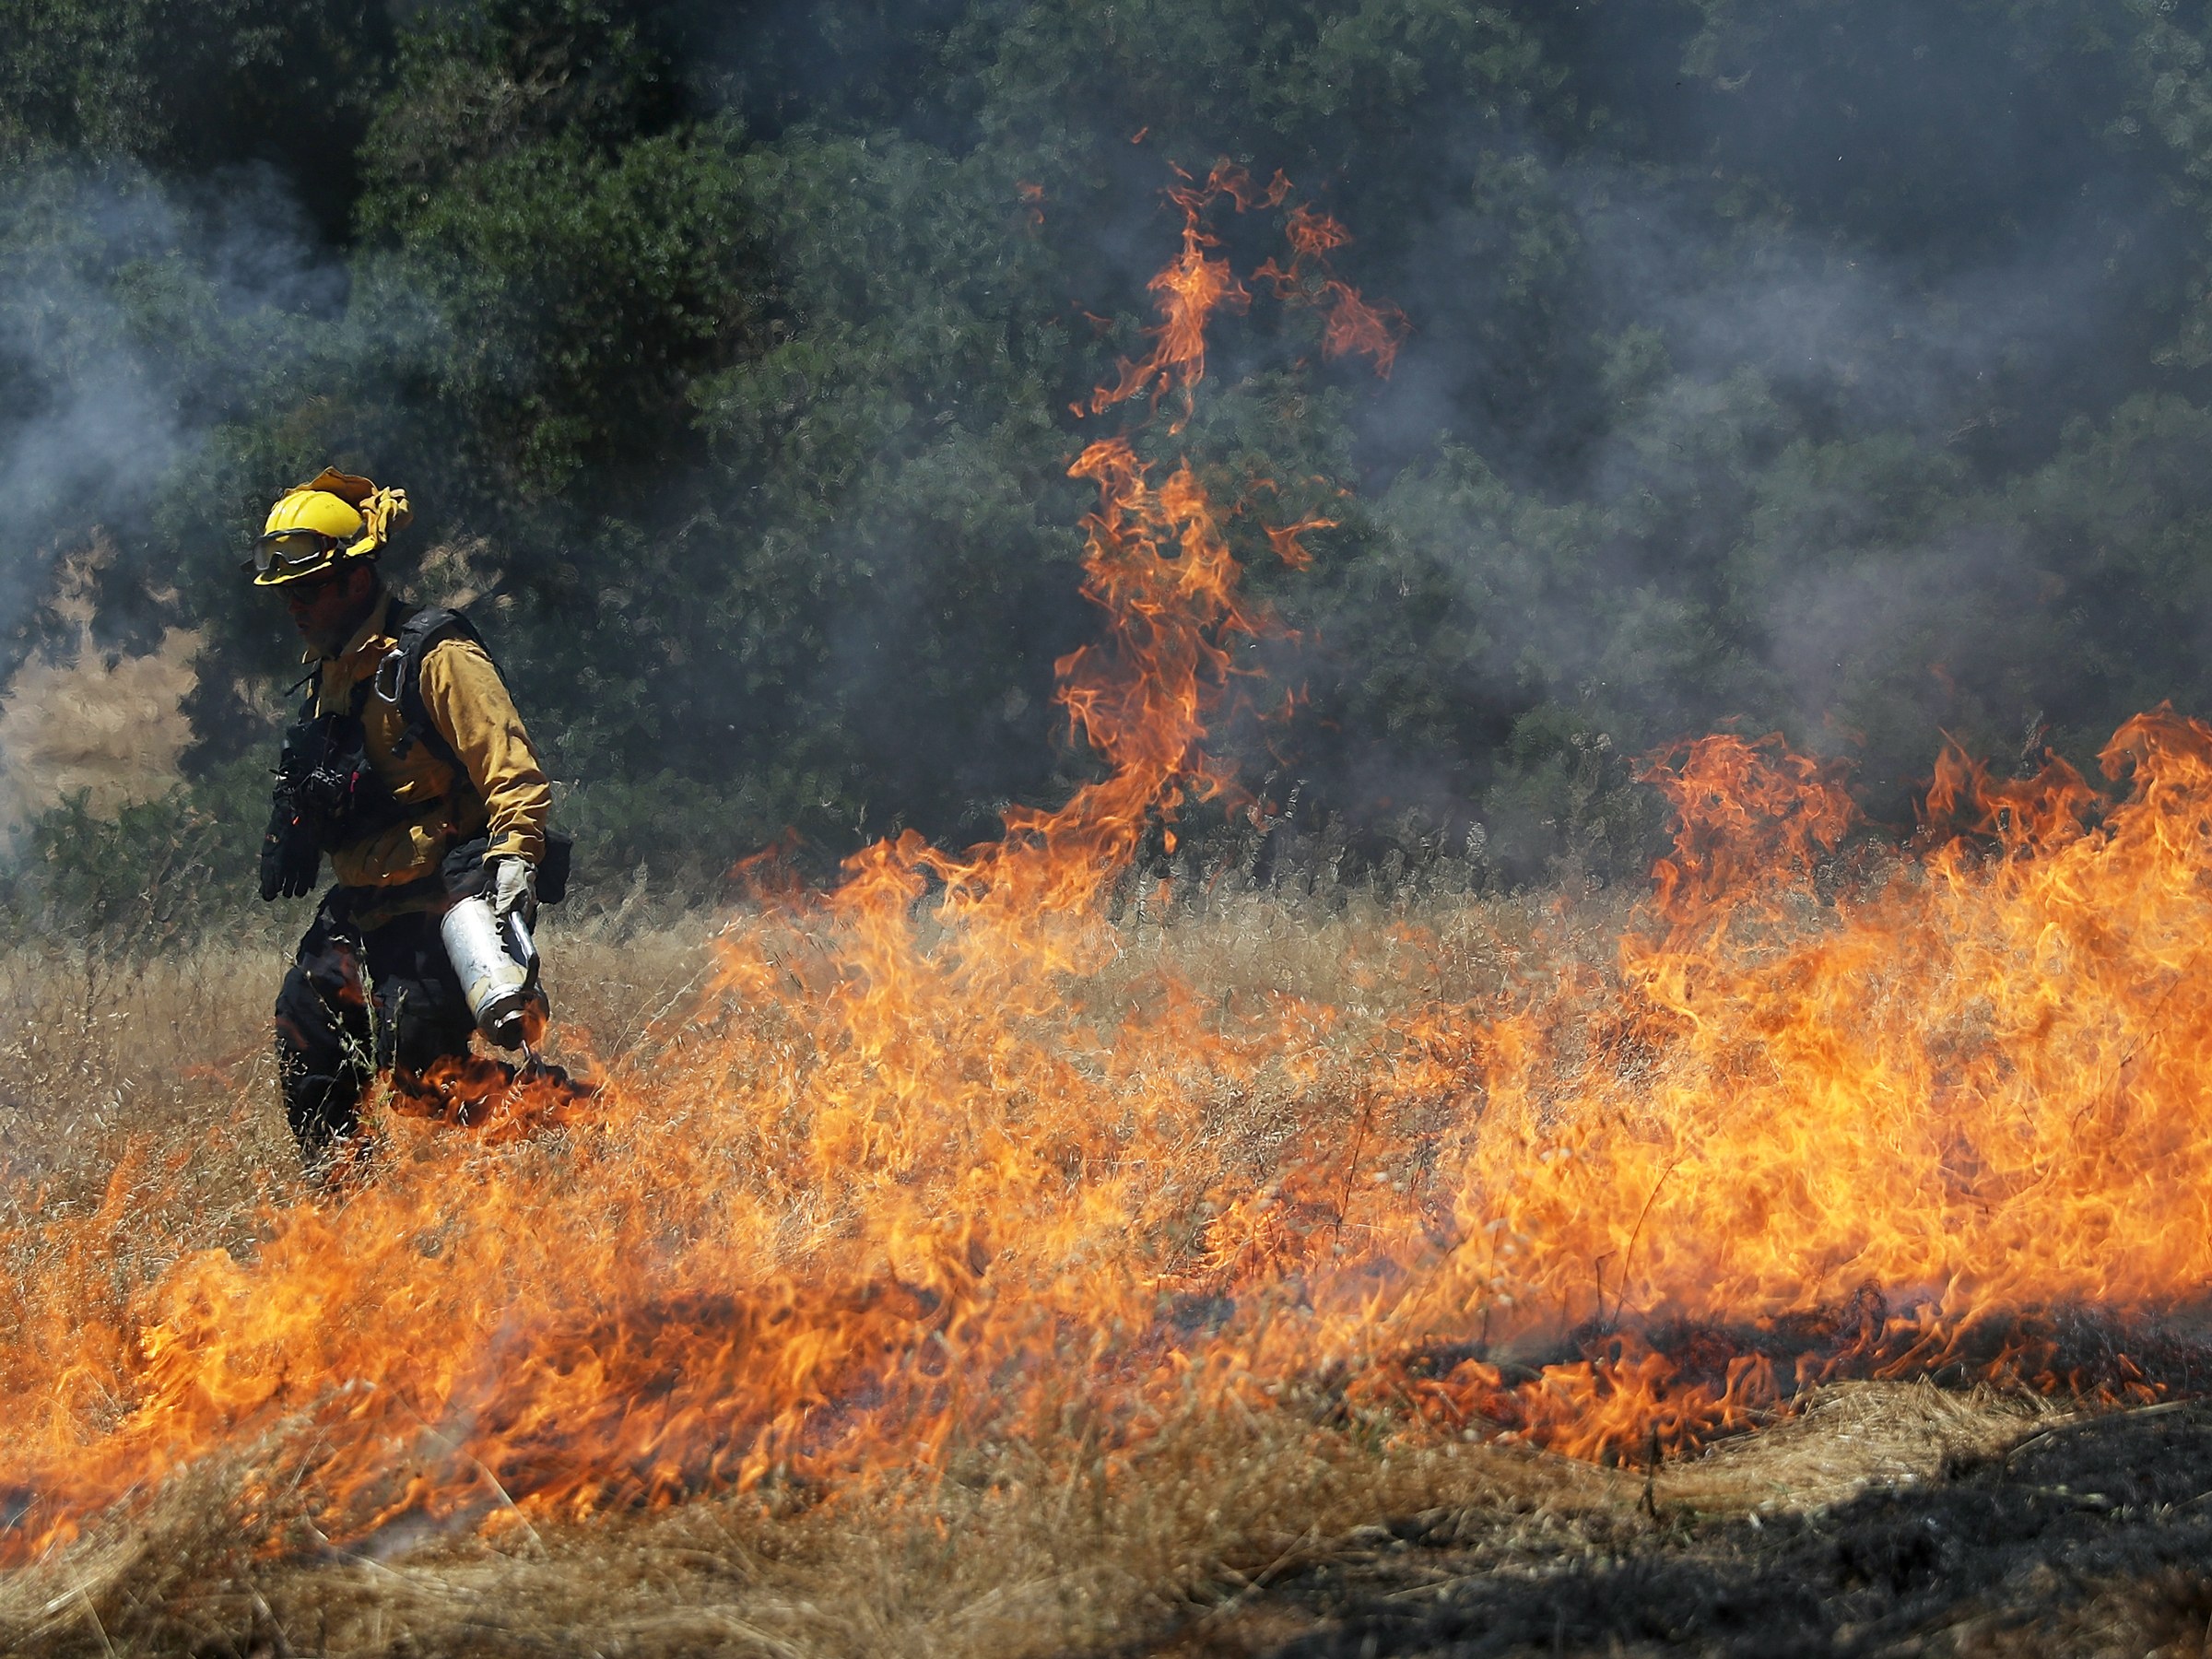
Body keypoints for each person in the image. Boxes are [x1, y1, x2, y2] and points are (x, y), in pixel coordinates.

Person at [251, 467, 556, 1171]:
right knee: (308, 1046)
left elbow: (510, 768)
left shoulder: (435, 655)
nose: (293, 607)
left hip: (440, 901)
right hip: (361, 905)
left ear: (355, 580)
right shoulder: (329, 671)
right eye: (284, 594)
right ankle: (343, 1219)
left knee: (423, 1073)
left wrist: (514, 859)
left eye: (306, 589)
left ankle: (582, 1116)